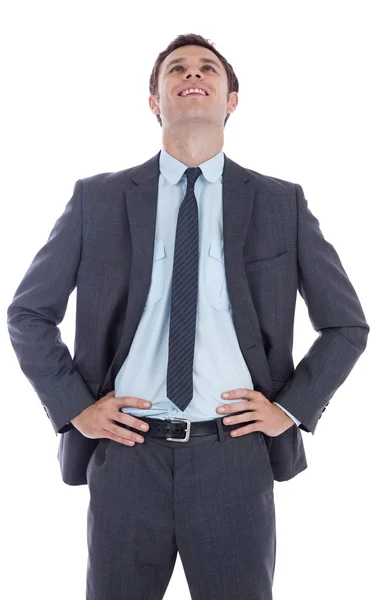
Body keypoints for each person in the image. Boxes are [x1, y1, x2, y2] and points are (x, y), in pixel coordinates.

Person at [7, 33, 370, 600]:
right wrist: (76, 408)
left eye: (207, 69)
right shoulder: (96, 200)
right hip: (126, 459)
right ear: (155, 101)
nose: (191, 75)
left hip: (234, 462)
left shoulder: (282, 204)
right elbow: (29, 314)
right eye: (175, 70)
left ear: (231, 100)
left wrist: (289, 410)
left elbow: (346, 326)